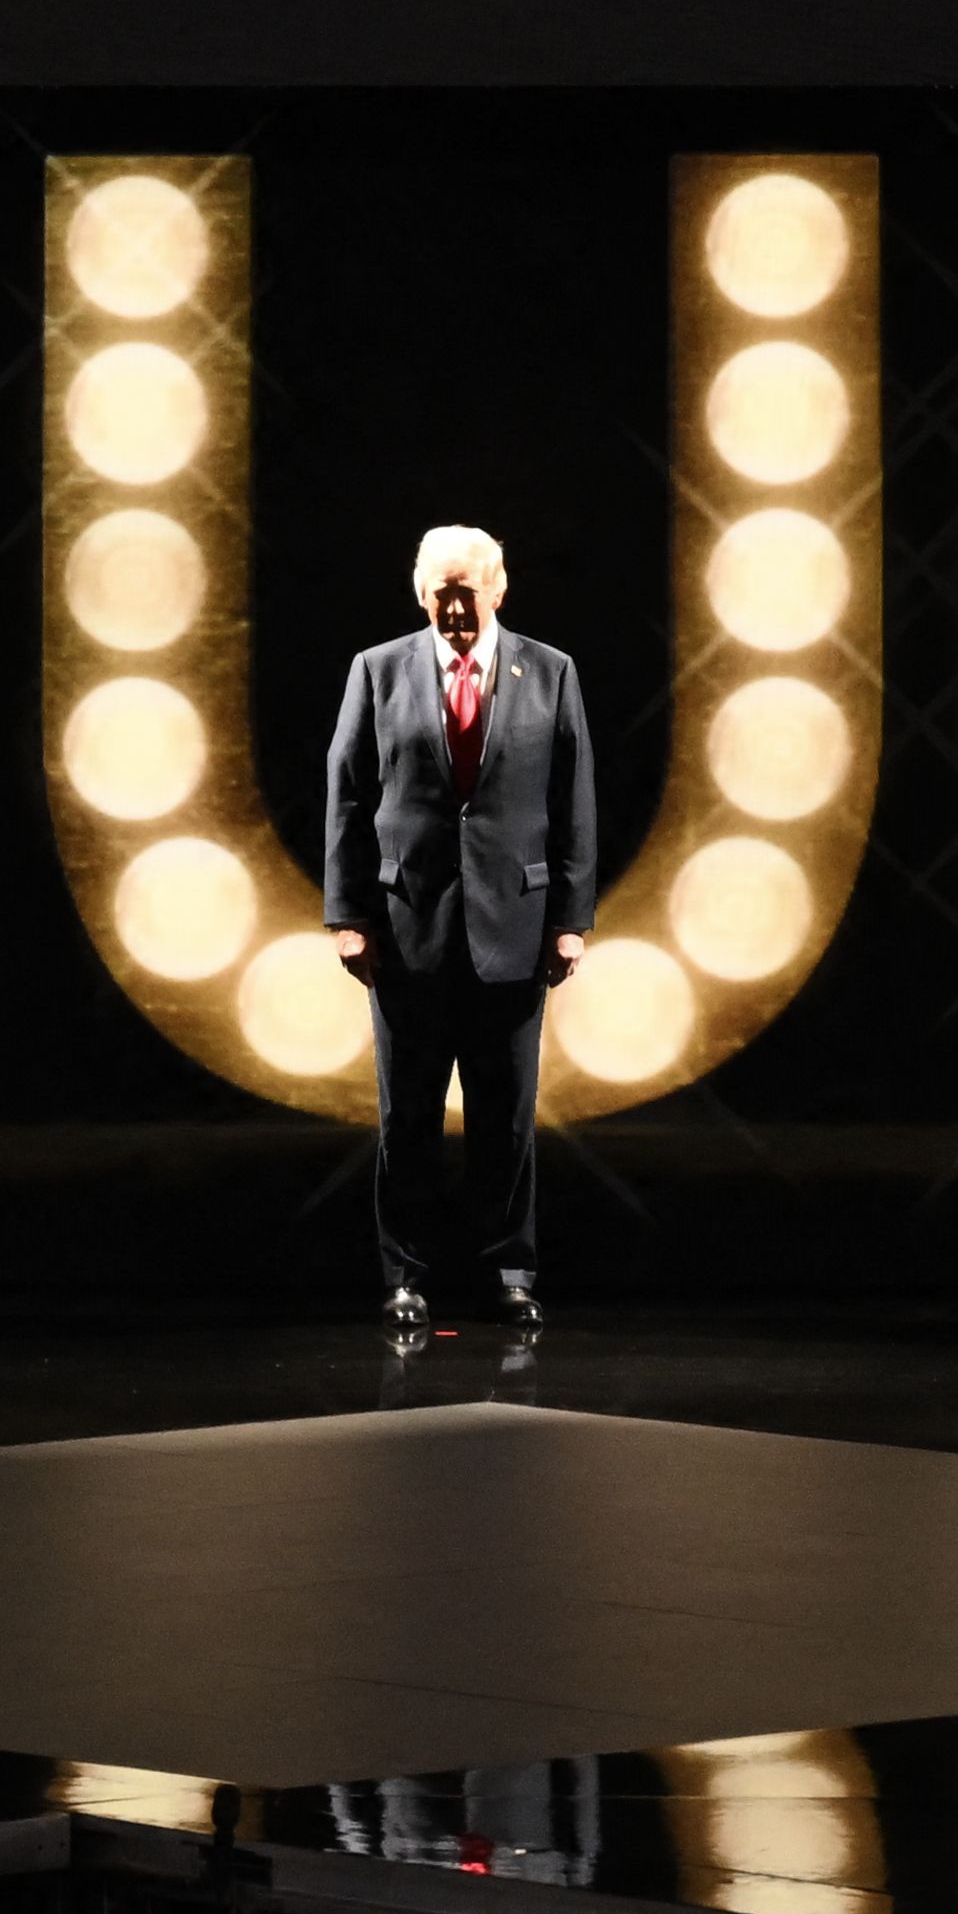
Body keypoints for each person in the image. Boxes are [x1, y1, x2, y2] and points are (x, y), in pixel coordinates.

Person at [318, 527, 601, 1339]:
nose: (452, 605)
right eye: (439, 589)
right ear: (417, 591)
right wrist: (346, 916)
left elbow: (573, 798)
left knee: (505, 1119)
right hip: (406, 931)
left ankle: (509, 1274)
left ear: (498, 589)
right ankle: (405, 1276)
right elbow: (345, 796)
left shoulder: (550, 672)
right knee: (405, 1117)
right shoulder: (376, 672)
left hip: (515, 927)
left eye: (466, 589)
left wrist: (571, 920)